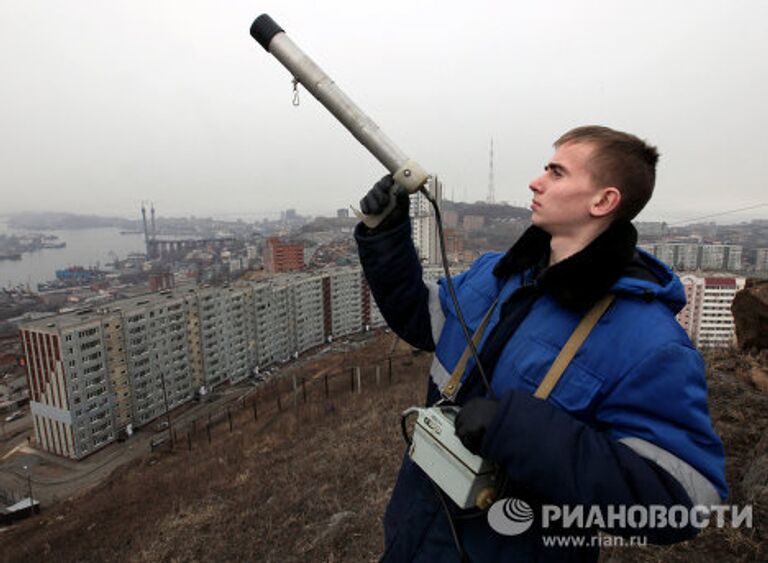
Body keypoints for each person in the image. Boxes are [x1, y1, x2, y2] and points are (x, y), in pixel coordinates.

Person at [354, 126, 727, 562]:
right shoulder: (497, 274)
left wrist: (519, 432)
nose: (536, 182)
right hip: (416, 531)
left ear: (603, 201)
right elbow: (424, 321)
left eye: (556, 172)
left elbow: (680, 500)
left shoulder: (647, 340)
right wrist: (386, 235)